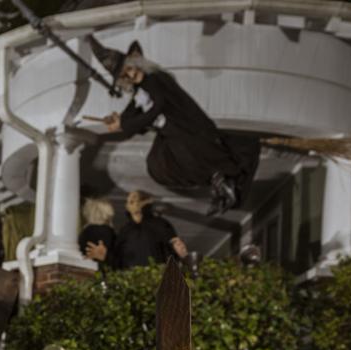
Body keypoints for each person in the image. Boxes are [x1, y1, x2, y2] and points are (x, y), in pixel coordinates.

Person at [89, 38, 260, 216]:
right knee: (159, 165)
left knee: (185, 155)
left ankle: (222, 184)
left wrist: (124, 124)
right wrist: (118, 120)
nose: (131, 76)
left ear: (137, 63)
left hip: (187, 129)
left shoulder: (155, 79)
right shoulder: (140, 90)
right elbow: (134, 113)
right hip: (172, 134)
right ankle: (220, 185)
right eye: (125, 75)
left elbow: (157, 106)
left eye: (130, 69)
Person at [86, 190, 188, 271]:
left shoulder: (160, 224)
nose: (130, 204)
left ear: (145, 202)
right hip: (132, 284)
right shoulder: (125, 231)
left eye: (135, 200)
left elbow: (174, 252)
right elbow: (118, 262)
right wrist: (105, 256)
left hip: (156, 280)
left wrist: (180, 254)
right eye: (130, 201)